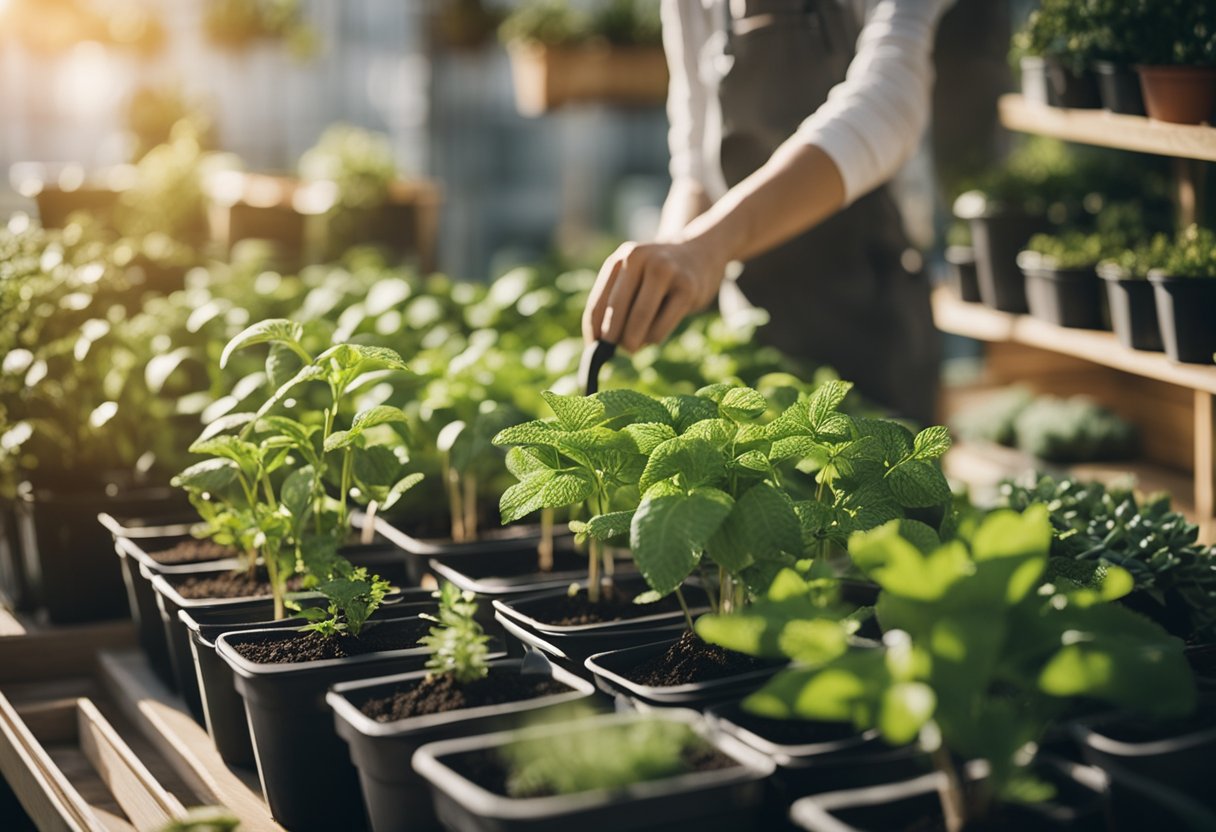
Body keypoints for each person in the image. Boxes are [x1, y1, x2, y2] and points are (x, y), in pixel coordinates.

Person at [582, 0, 956, 424]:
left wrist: (705, 247)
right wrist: (668, 259)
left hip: (875, 321)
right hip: (753, 331)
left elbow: (887, 103)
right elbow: (696, 167)